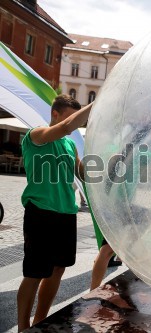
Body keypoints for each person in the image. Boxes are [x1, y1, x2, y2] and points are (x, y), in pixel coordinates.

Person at [17, 95, 92, 331]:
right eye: (69, 118)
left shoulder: (69, 144)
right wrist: (98, 103)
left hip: (66, 213)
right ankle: (22, 327)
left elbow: (82, 172)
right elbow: (66, 127)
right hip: (41, 212)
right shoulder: (36, 136)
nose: (74, 126)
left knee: (58, 269)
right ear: (55, 114)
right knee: (35, 273)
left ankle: (41, 321)